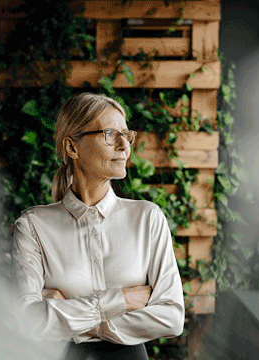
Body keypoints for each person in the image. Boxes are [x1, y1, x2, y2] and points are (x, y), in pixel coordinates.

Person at [11, 93, 184, 359]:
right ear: (72, 148)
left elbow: (172, 317)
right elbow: (27, 321)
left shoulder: (147, 218)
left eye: (126, 134)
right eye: (110, 134)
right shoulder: (33, 226)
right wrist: (123, 301)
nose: (124, 145)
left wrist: (70, 320)